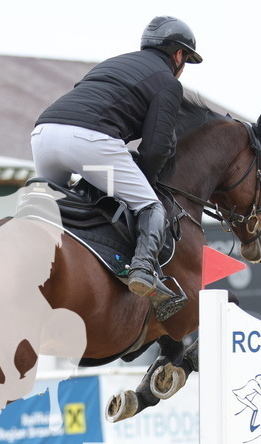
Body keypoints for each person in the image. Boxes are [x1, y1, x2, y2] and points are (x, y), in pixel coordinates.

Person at [31, 16, 202, 321]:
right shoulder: (168, 82)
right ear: (178, 55)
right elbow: (156, 147)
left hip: (44, 132)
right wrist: (145, 183)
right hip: (89, 139)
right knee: (151, 206)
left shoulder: (113, 63)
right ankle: (142, 270)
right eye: (186, 59)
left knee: (50, 207)